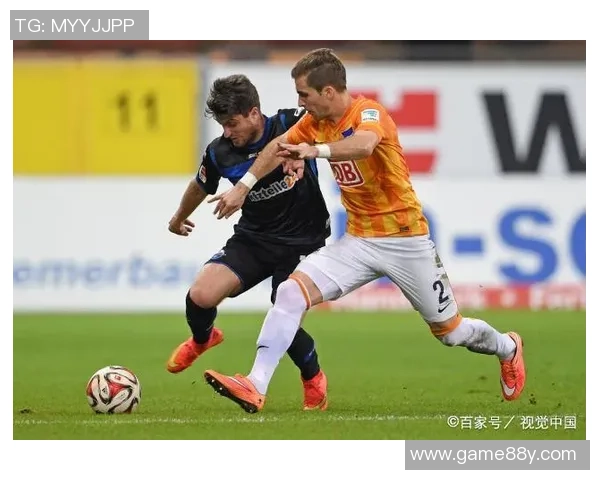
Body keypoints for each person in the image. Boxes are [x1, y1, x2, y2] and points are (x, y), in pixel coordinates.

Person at [203, 49, 526, 414]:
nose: (300, 102)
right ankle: (255, 384)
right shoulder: (314, 121)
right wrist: (244, 186)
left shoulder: (369, 113)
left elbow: (364, 145)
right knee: (291, 292)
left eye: (304, 94)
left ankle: (508, 347)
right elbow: (278, 147)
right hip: (359, 241)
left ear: (328, 92)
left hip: (405, 240)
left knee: (451, 332)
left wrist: (314, 152)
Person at [166, 74, 331, 411]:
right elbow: (201, 185)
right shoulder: (220, 152)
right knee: (201, 295)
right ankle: (203, 338)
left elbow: (327, 128)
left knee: (283, 310)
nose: (227, 132)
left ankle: (313, 376)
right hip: (254, 238)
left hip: (303, 239)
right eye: (223, 125)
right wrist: (178, 217)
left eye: (232, 123)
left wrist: (301, 153)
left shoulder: (291, 123)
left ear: (254, 113)